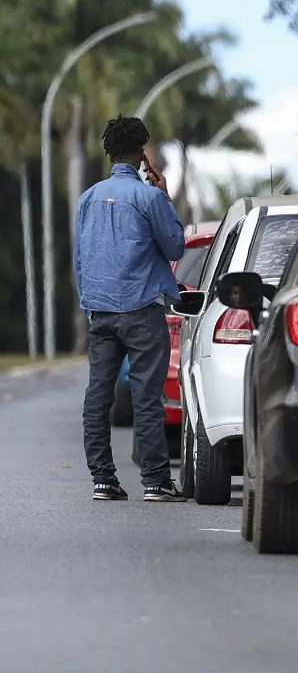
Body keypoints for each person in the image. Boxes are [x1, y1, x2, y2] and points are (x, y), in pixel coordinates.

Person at [74, 115, 187, 502]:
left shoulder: (87, 198)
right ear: (143, 154)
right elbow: (174, 247)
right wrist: (165, 195)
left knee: (98, 397)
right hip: (142, 308)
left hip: (101, 309)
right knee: (146, 397)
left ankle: (103, 480)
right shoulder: (150, 197)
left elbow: (80, 258)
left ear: (107, 154)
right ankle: (156, 482)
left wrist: (88, 301)